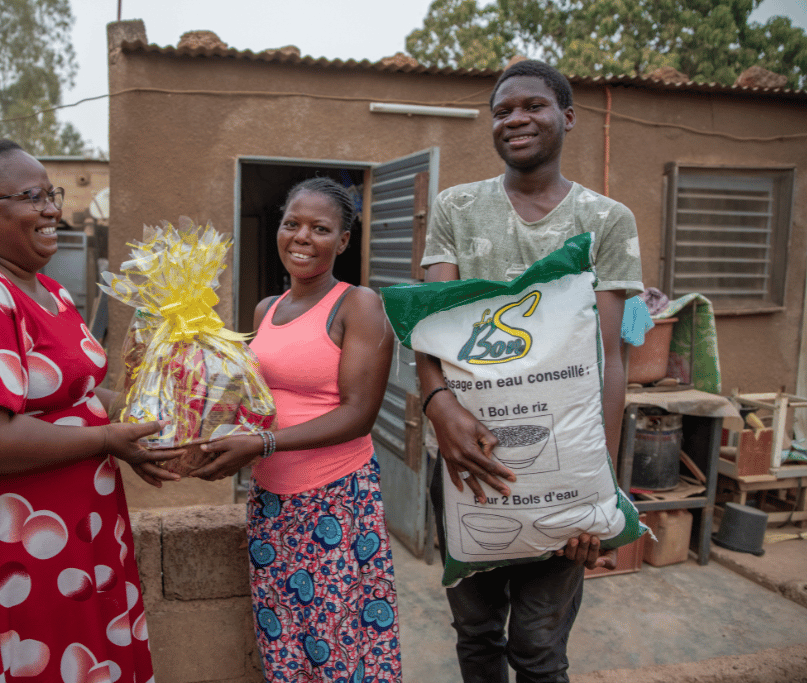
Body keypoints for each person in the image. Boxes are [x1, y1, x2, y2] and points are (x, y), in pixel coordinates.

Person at [0, 139, 181, 682]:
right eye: (32, 196)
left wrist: (156, 413)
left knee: (75, 657)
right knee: (28, 659)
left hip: (70, 531)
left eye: (52, 193)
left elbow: (79, 395)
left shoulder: (46, 291)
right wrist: (107, 440)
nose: (52, 209)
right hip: (7, 540)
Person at [416, 60, 644, 683]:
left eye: (533, 106)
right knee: (477, 633)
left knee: (539, 648)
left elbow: (610, 358)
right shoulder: (457, 209)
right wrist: (441, 407)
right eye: (502, 110)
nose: (515, 118)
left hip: (566, 465)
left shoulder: (606, 221)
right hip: (470, 458)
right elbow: (432, 329)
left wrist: (599, 490)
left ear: (566, 117)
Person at [191, 177, 403, 682]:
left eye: (320, 228)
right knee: (282, 639)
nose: (302, 237)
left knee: (337, 641)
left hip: (333, 499)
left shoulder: (359, 306)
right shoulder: (267, 310)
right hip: (271, 499)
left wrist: (262, 442)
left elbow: (358, 413)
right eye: (292, 224)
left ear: (343, 241)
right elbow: (257, 399)